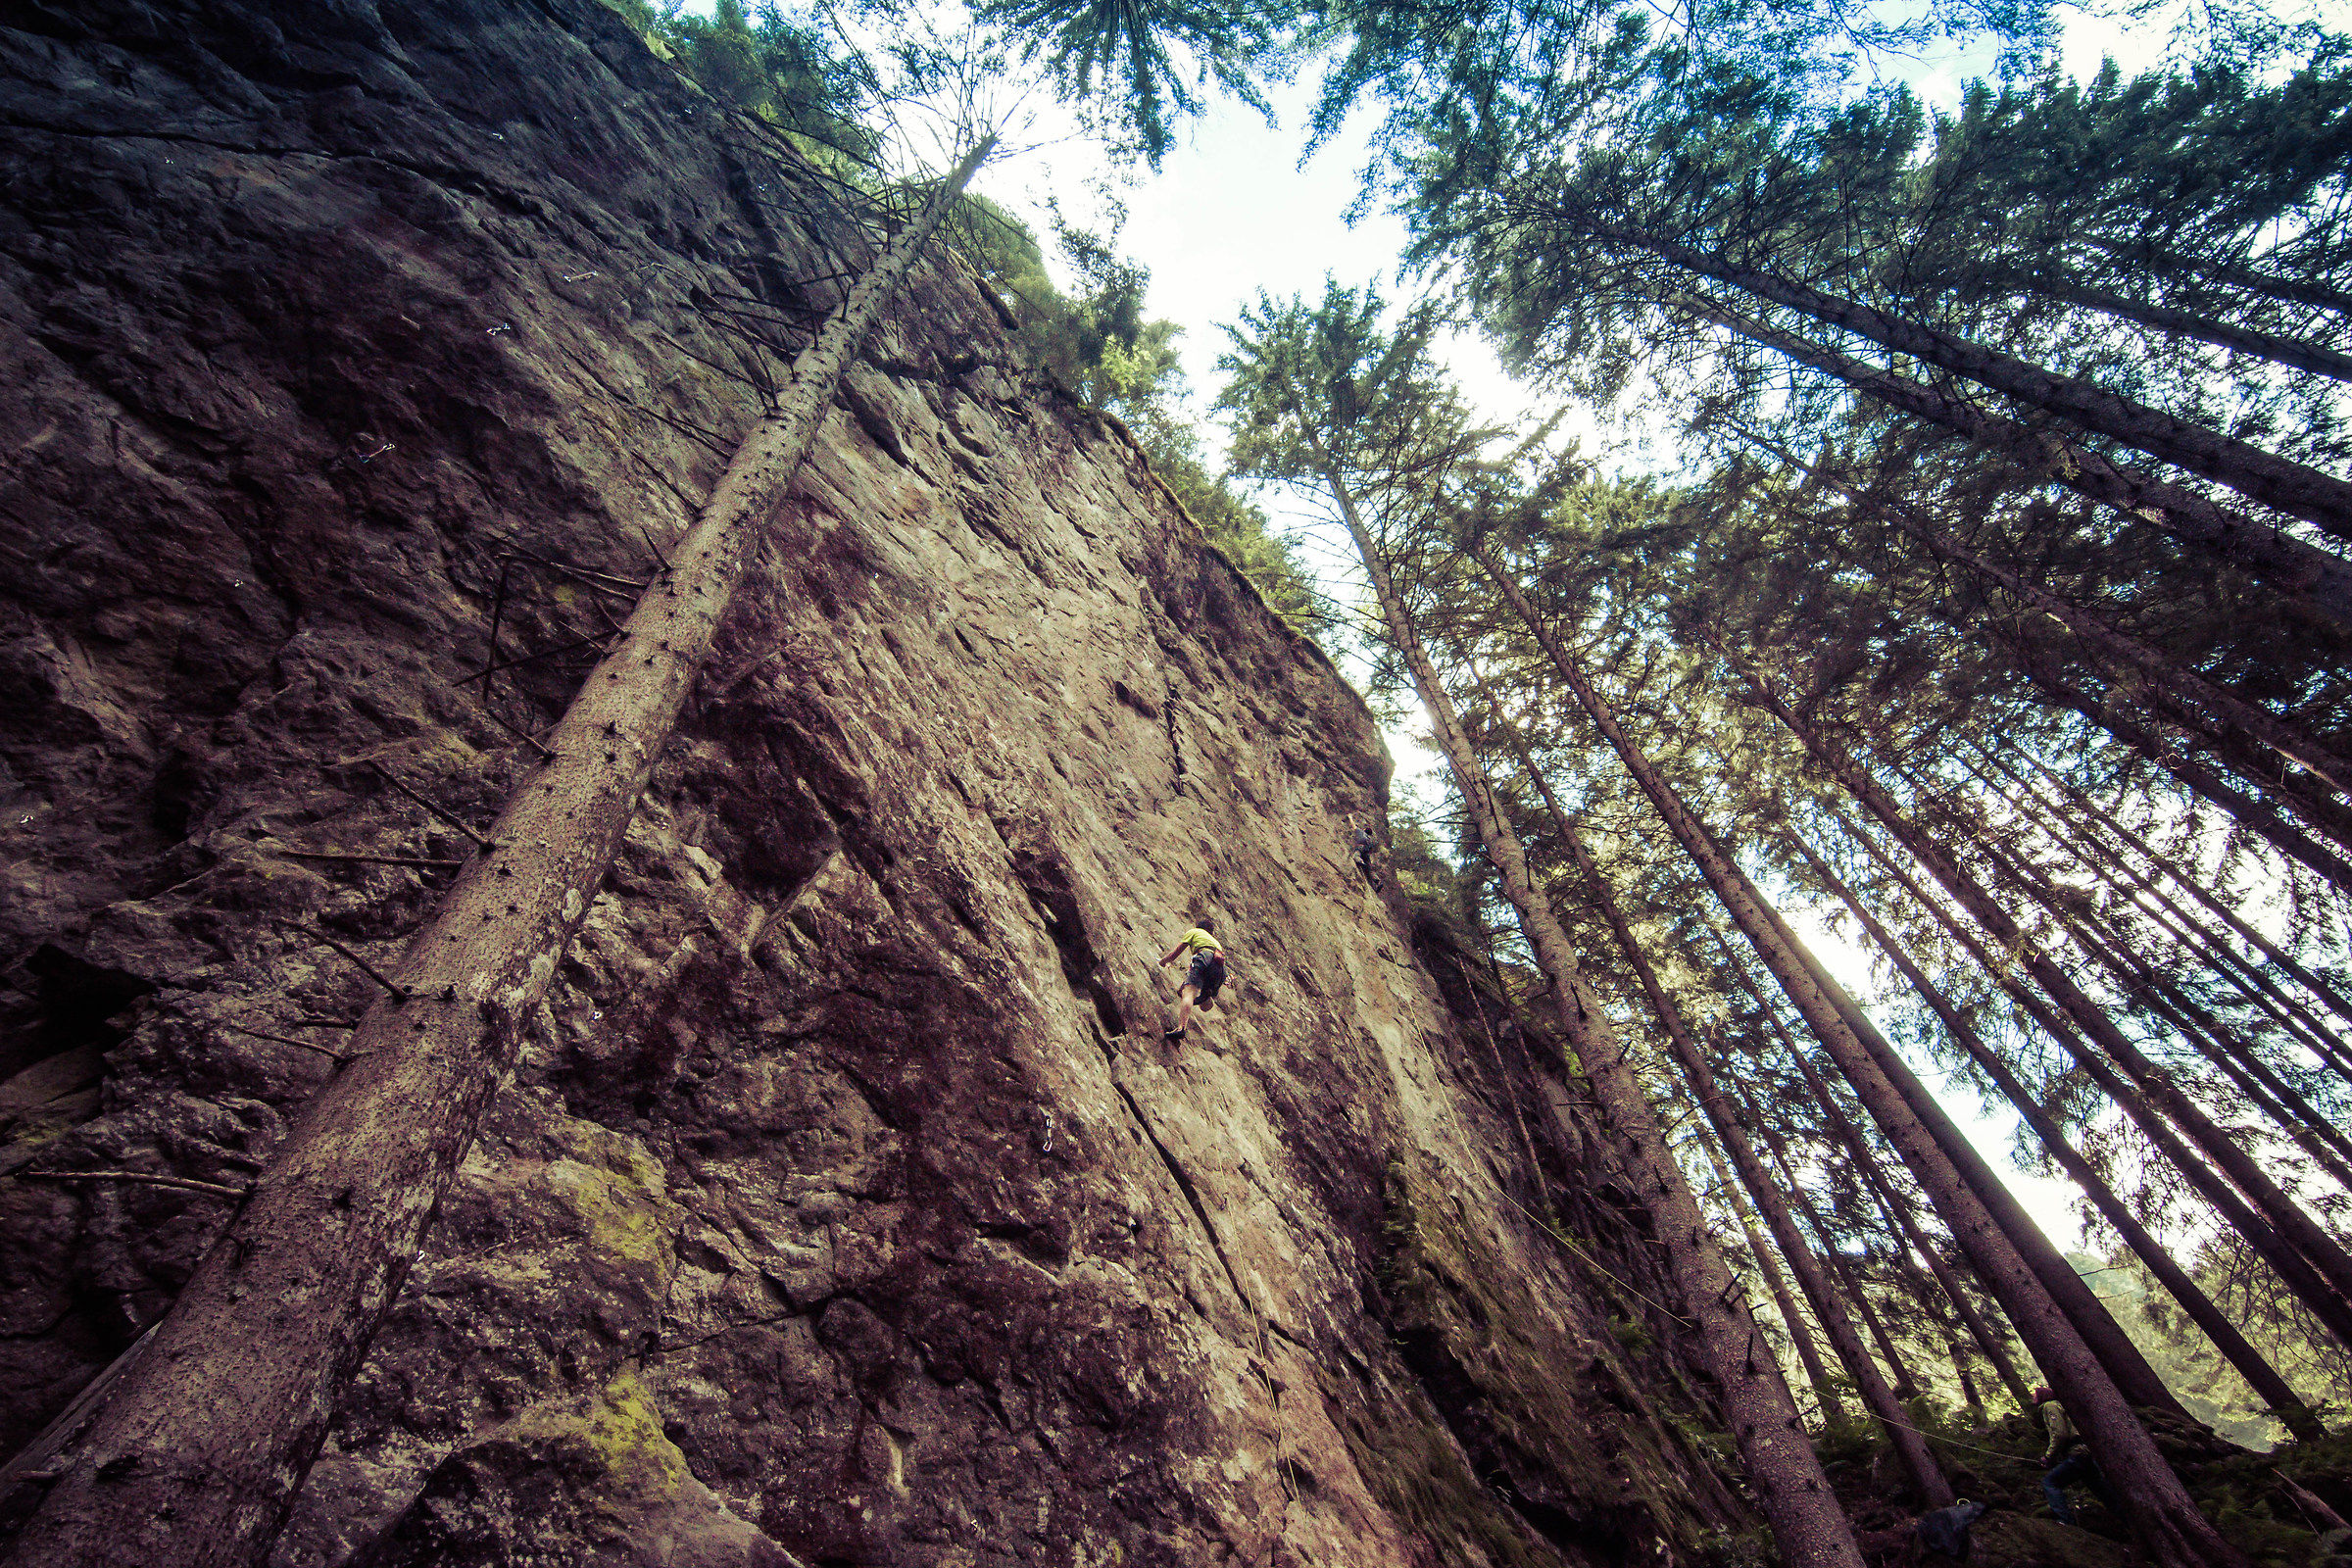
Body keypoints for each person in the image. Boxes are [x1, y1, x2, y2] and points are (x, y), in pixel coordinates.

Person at [2034, 1386, 2115, 1526]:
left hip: (2077, 1454)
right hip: (2086, 1454)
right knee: (2101, 1490)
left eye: (2035, 1395)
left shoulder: (2050, 1406)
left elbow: (2060, 1434)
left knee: (2050, 1482)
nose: (2032, 1397)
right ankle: (2125, 1518)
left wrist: (2048, 1457)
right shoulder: (2062, 1405)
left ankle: (2066, 1521)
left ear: (2042, 1396)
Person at [1158, 919, 1227, 1043]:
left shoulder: (1195, 932)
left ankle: (1181, 1028)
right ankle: (1205, 997)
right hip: (1219, 969)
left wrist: (1164, 961)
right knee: (1202, 1003)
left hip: (1203, 958)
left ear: (1198, 927)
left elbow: (1176, 952)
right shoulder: (1216, 942)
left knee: (1188, 993)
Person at [1349, 822, 1383, 890]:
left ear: (1364, 830)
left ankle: (1361, 862)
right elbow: (1371, 850)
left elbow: (1353, 826)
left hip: (1360, 848)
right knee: (1370, 870)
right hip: (1366, 853)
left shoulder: (1361, 832)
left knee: (1356, 856)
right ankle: (1377, 880)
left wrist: (1350, 817)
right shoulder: (1370, 840)